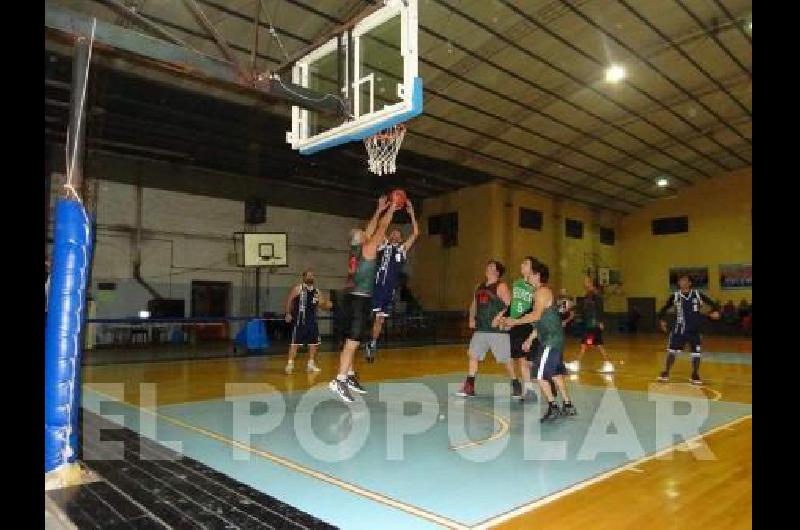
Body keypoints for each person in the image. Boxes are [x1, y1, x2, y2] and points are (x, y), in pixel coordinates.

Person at [329, 196, 398, 403]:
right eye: (362, 233)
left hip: (350, 298)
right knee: (352, 343)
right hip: (359, 300)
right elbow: (381, 227)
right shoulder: (368, 249)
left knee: (352, 341)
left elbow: (371, 228)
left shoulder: (356, 249)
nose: (365, 233)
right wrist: (392, 208)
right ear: (360, 239)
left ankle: (348, 376)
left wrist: (378, 210)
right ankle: (339, 380)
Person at [501, 260, 577, 422]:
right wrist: (529, 339)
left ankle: (552, 407)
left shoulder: (541, 292)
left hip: (551, 340)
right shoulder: (540, 293)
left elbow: (535, 316)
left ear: (537, 275)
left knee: (540, 375)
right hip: (552, 339)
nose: (527, 276)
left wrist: (514, 321)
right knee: (555, 374)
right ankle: (568, 404)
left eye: (530, 273)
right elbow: (540, 322)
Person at [365, 201, 419, 362]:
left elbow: (416, 233)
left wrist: (412, 214)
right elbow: (379, 227)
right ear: (389, 236)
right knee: (367, 314)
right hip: (377, 285)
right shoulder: (383, 245)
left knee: (379, 319)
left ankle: (372, 343)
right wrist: (387, 210)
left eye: (398, 234)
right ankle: (358, 337)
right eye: (393, 233)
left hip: (389, 289)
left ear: (401, 238)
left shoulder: (402, 250)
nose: (395, 235)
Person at [455, 260, 516, 397]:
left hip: (498, 330)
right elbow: (474, 305)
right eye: (487, 266)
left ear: (497, 272)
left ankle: (515, 384)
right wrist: (471, 318)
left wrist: (499, 317)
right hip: (481, 329)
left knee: (506, 360)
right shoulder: (479, 286)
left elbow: (510, 306)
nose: (488, 268)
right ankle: (469, 387)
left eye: (491, 267)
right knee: (473, 355)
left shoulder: (501, 286)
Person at [657, 274, 721, 385]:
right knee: (672, 352)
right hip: (679, 330)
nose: (682, 282)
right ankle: (666, 372)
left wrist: (714, 312)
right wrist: (662, 320)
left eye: (685, 280)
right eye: (680, 280)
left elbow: (713, 304)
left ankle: (695, 374)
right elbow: (663, 309)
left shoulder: (697, 295)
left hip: (694, 330)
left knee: (696, 353)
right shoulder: (675, 296)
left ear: (690, 283)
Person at [496, 256, 538, 401]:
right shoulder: (517, 283)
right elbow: (513, 304)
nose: (522, 264)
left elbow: (535, 309)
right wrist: (505, 317)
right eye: (522, 262)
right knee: (520, 359)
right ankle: (529, 390)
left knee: (526, 360)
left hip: (527, 324)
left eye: (525, 263)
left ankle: (535, 387)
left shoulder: (536, 286)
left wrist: (518, 320)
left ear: (532, 268)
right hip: (515, 325)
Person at [284, 270, 332, 374]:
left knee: (313, 343)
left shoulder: (317, 291)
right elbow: (289, 300)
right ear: (304, 277)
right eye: (308, 275)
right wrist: (288, 313)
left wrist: (327, 305)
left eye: (312, 275)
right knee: (295, 343)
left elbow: (322, 304)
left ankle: (310, 364)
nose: (311, 277)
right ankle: (290, 363)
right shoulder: (298, 288)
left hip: (312, 322)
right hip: (300, 320)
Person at [565, 276, 614, 373]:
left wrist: (600, 321)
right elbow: (583, 307)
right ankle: (608, 364)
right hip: (590, 324)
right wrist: (572, 308)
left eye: (586, 281)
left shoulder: (595, 294)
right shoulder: (588, 294)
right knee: (596, 344)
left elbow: (599, 308)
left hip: (593, 325)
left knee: (585, 344)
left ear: (591, 283)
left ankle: (576, 363)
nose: (584, 283)